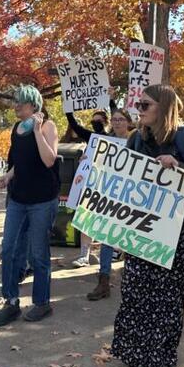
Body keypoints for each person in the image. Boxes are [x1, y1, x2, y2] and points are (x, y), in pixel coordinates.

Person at [111, 85, 184, 367]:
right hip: (142, 228)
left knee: (167, 297)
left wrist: (182, 167)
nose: (139, 109)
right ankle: (138, 354)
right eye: (138, 104)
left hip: (182, 230)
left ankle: (165, 363)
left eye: (145, 105)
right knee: (135, 291)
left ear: (164, 108)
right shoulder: (135, 139)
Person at [0, 85, 60, 325]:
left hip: (42, 199)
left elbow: (49, 159)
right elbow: (18, 162)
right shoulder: (16, 129)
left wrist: (39, 131)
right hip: (18, 199)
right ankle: (11, 302)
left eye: (20, 102)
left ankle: (42, 302)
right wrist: (8, 176)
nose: (16, 106)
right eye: (16, 102)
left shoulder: (48, 126)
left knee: (38, 252)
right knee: (9, 249)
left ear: (33, 104)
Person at [86, 108, 136, 300]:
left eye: (121, 119)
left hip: (131, 195)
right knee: (106, 236)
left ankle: (132, 276)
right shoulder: (105, 141)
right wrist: (87, 159)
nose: (117, 123)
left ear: (128, 122)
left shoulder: (137, 139)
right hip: (110, 194)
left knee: (130, 237)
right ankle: (103, 281)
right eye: (114, 119)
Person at [65, 109, 111, 267]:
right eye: (93, 121)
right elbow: (75, 126)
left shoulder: (113, 138)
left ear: (105, 122)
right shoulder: (91, 137)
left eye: (98, 121)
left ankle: (108, 255)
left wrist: (111, 101)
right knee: (87, 218)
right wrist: (68, 109)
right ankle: (84, 254)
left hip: (109, 186)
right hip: (91, 185)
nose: (95, 124)